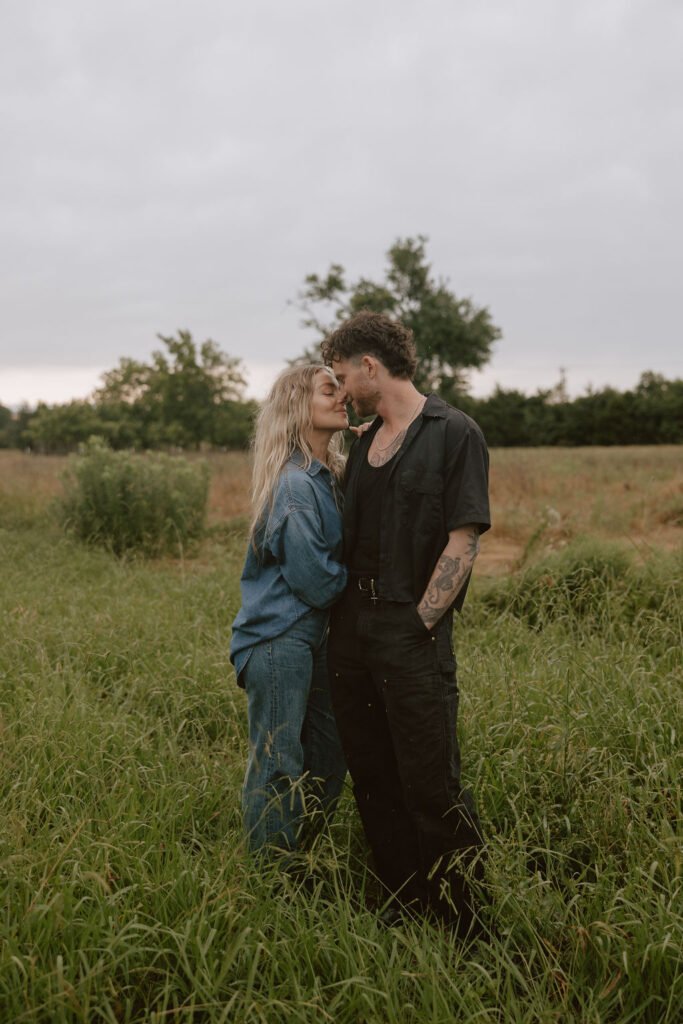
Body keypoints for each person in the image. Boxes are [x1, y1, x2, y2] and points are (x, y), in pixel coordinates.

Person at [322, 310, 491, 935]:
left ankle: (466, 925)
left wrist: (417, 624)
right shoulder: (363, 442)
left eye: (342, 377)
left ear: (371, 366)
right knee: (374, 779)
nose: (339, 390)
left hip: (411, 634)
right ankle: (402, 905)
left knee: (432, 784)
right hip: (351, 634)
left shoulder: (455, 433)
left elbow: (463, 540)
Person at [229, 364, 350, 854]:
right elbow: (316, 581)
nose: (342, 396)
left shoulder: (328, 477)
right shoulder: (296, 485)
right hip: (279, 640)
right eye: (329, 390)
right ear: (300, 405)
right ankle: (271, 880)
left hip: (313, 638)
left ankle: (303, 857)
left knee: (328, 753)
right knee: (278, 761)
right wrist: (368, 584)